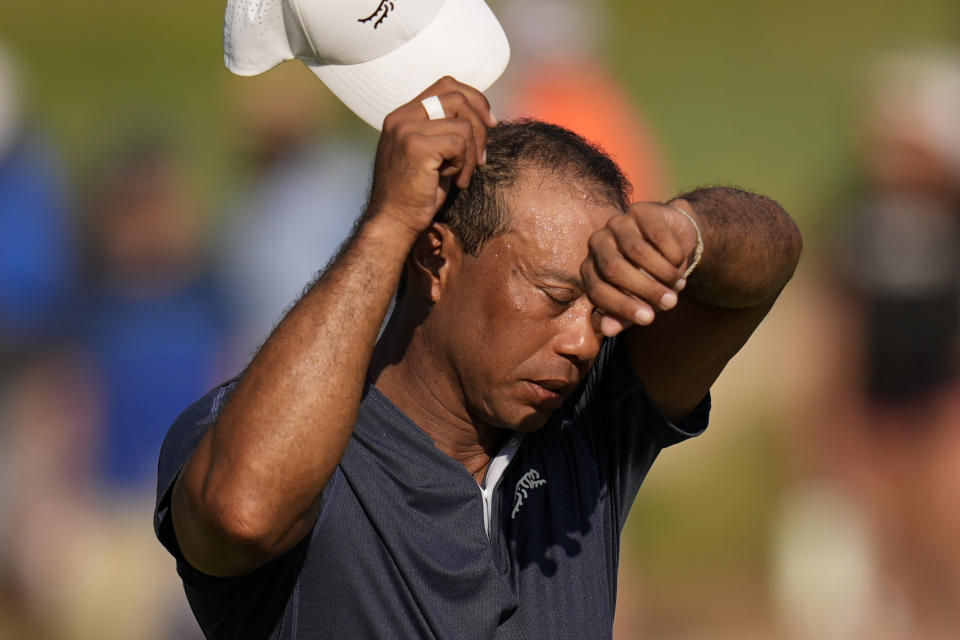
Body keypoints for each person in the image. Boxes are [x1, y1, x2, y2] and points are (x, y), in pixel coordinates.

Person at [155, 77, 802, 638]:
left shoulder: (589, 424)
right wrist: (386, 225)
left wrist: (690, 232)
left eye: (599, 308)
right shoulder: (279, 439)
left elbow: (767, 262)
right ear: (434, 258)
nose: (582, 340)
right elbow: (240, 516)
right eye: (554, 295)